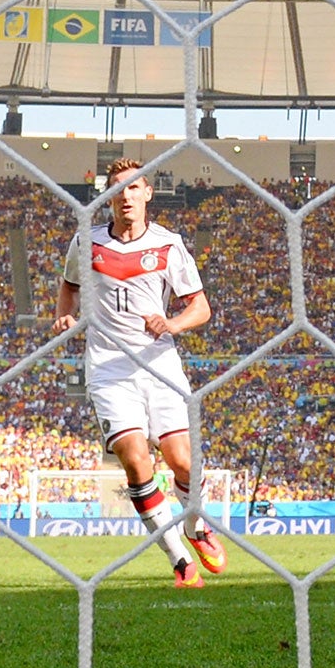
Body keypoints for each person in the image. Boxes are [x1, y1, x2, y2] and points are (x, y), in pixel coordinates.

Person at [52, 158, 225, 588]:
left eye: (133, 188)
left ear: (148, 194)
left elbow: (200, 307)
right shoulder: (86, 243)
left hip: (160, 364)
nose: (125, 196)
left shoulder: (169, 245)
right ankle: (180, 560)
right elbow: (70, 286)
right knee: (135, 462)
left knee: (182, 461)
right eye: (117, 189)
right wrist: (65, 317)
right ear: (108, 197)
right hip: (109, 369)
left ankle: (194, 526)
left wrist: (172, 324)